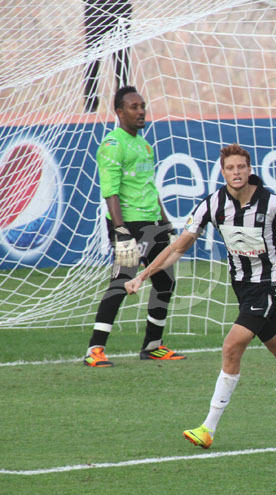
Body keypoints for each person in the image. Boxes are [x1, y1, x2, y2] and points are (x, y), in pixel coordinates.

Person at [124, 143, 276, 449]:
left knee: (232, 345)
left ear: (249, 169)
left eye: (241, 167)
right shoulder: (212, 204)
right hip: (241, 286)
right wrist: (143, 275)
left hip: (267, 285)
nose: (236, 173)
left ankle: (207, 428)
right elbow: (178, 247)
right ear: (223, 172)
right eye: (230, 168)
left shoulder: (273, 204)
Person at [83, 86, 185, 367]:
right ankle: (95, 350)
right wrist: (121, 230)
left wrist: (165, 222)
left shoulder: (144, 144)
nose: (141, 111)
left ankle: (153, 346)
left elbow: (150, 188)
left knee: (165, 282)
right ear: (119, 112)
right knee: (121, 282)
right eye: (134, 107)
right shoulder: (112, 145)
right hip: (129, 226)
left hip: (153, 223)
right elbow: (110, 192)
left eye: (142, 106)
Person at [83, 0, 133, 113]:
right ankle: (90, 104)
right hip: (95, 7)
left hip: (120, 7)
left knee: (122, 57)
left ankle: (123, 102)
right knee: (92, 57)